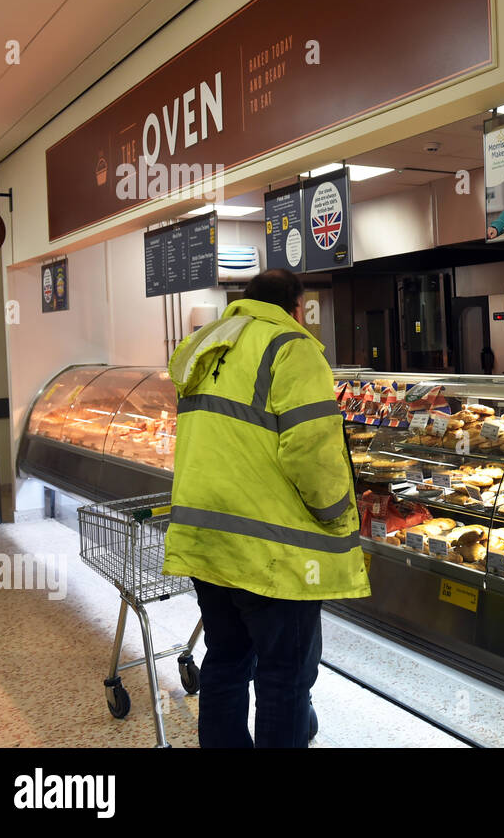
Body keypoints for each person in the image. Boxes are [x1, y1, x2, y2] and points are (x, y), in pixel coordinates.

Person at [163, 268, 368, 747]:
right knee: (283, 679)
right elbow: (312, 451)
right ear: (296, 308)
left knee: (226, 661)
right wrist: (339, 513)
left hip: (208, 542)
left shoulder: (205, 346)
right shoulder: (290, 348)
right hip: (272, 552)